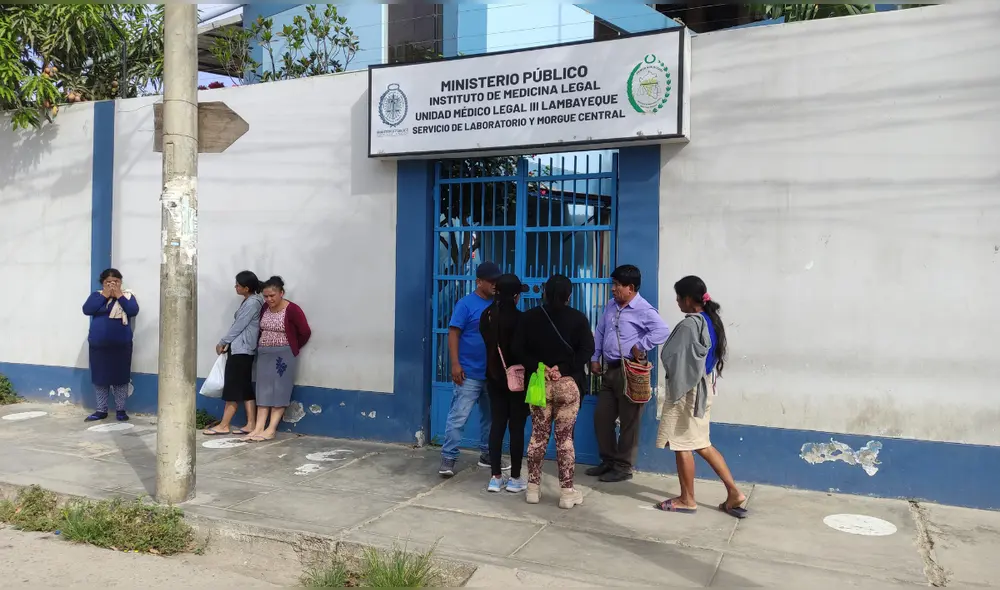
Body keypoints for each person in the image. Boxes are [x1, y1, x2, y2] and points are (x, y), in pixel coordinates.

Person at [654, 276, 747, 518]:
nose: (677, 302)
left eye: (678, 297)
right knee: (701, 443)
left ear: (688, 299)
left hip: (689, 390)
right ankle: (734, 492)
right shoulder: (711, 320)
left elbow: (672, 356)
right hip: (704, 387)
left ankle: (687, 499)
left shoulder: (689, 325)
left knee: (682, 443)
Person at [515, 275, 595, 509]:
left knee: (538, 436)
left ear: (544, 293)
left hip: (540, 383)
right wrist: (563, 368)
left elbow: (517, 349)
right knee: (565, 439)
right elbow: (587, 349)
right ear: (569, 295)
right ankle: (567, 493)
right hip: (567, 384)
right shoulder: (578, 319)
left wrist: (540, 367)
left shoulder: (529, 318)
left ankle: (532, 489)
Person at [587, 264, 670, 482]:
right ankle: (608, 461)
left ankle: (623, 467)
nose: (613, 289)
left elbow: (662, 330)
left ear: (630, 288)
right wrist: (595, 357)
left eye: (617, 285)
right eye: (613, 284)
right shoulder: (611, 305)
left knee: (629, 422)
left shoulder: (643, 309)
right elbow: (600, 331)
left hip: (630, 371)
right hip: (610, 370)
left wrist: (640, 345)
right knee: (602, 418)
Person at [438, 261, 505, 477]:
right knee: (459, 417)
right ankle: (448, 457)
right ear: (479, 282)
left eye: (497, 281)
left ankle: (487, 454)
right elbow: (454, 333)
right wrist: (455, 364)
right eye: (491, 281)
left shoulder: (498, 304)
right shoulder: (466, 304)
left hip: (492, 374)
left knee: (490, 418)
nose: (495, 285)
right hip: (468, 373)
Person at [242, 276, 311, 442]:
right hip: (264, 354)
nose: (269, 299)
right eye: (266, 296)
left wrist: (291, 347)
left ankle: (271, 429)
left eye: (272, 295)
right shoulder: (265, 308)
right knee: (263, 390)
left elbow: (305, 332)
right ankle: (258, 428)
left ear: (281, 293)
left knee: (280, 390)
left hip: (284, 355)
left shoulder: (292, 309)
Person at [479, 273, 529, 493]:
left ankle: (495, 477)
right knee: (516, 427)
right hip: (517, 379)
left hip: (494, 377)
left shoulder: (487, 316)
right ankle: (515, 478)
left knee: (497, 425)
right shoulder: (521, 319)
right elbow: (522, 350)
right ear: (516, 296)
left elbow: (488, 343)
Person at [203, 271, 265, 436]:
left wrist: (223, 341)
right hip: (243, 349)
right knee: (244, 387)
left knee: (233, 387)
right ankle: (251, 423)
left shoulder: (252, 303)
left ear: (246, 288)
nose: (235, 287)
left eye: (238, 285)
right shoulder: (252, 301)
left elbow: (239, 325)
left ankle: (224, 425)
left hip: (241, 349)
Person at [82, 268, 139, 422]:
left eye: (116, 282)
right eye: (108, 282)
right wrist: (105, 295)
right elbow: (87, 310)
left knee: (121, 378)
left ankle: (121, 410)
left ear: (121, 282)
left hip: (121, 345)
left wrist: (119, 295)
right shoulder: (96, 296)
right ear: (103, 283)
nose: (112, 285)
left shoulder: (128, 296)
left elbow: (133, 311)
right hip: (99, 346)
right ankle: (101, 410)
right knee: (100, 378)